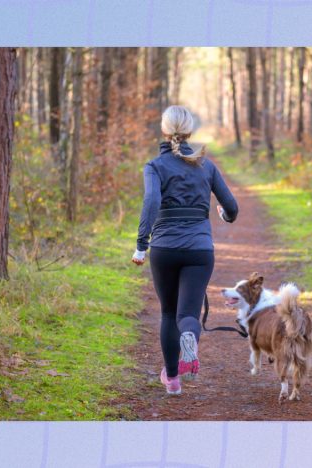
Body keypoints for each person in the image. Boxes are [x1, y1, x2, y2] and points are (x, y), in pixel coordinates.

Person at [131, 105, 239, 395]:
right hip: (199, 250)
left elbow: (151, 202)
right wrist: (225, 216)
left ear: (165, 131)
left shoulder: (155, 166)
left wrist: (142, 244)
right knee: (187, 313)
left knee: (168, 313)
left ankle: (173, 380)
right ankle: (190, 336)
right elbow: (231, 207)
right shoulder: (206, 164)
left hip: (164, 248)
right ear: (189, 130)